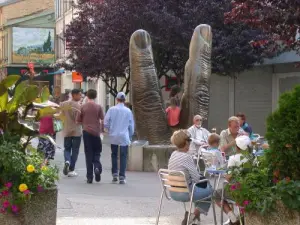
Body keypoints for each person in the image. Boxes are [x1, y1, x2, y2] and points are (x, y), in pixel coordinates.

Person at [168, 130, 212, 225]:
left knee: (200, 189)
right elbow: (196, 179)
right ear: (186, 142)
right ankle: (193, 216)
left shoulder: (173, 154)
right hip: (185, 193)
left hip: (173, 192)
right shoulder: (187, 157)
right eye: (190, 142)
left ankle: (195, 220)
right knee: (209, 191)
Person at [214, 135, 251, 225]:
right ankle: (241, 217)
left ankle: (233, 218)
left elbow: (228, 177)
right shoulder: (252, 157)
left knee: (216, 194)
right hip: (249, 190)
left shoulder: (233, 158)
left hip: (237, 191)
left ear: (237, 147)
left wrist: (224, 175)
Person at [104, 92, 134, 184]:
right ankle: (122, 176)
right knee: (123, 156)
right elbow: (131, 126)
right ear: (124, 100)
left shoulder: (111, 109)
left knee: (114, 154)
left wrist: (109, 129)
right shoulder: (128, 111)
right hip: (124, 137)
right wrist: (130, 136)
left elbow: (106, 122)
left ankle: (114, 174)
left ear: (117, 99)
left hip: (113, 136)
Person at [76, 89, 104, 184]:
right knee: (97, 151)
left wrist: (84, 123)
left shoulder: (82, 107)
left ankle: (89, 177)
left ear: (87, 96)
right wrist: (102, 130)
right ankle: (97, 166)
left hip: (86, 132)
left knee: (88, 154)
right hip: (96, 132)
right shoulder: (99, 107)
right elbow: (102, 119)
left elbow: (78, 120)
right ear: (95, 96)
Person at [60, 89, 82, 177]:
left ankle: (67, 161)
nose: (80, 97)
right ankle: (71, 169)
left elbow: (60, 115)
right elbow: (80, 119)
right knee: (75, 150)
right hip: (76, 131)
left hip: (67, 129)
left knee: (67, 148)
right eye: (79, 95)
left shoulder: (63, 104)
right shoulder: (78, 106)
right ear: (74, 95)